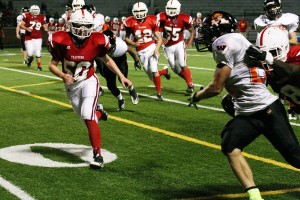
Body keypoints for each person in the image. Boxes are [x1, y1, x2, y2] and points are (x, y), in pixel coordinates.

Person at [192, 11, 300, 200]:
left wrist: (198, 96)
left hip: (265, 110)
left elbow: (216, 87)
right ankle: (254, 195)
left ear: (218, 28)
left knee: (296, 158)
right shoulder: (240, 40)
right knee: (230, 144)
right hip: (251, 112)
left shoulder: (223, 42)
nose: (205, 35)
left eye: (208, 29)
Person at [47, 9, 133, 169]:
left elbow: (107, 60)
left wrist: (121, 76)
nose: (82, 29)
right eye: (78, 25)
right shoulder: (61, 40)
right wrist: (62, 75)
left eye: (86, 26)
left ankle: (97, 155)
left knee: (87, 114)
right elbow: (52, 65)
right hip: (71, 85)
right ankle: (100, 114)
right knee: (85, 118)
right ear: (70, 25)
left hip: (88, 81)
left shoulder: (97, 40)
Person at [247, 26, 300, 116]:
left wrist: (271, 60)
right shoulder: (263, 65)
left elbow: (294, 70)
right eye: (264, 52)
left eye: (272, 52)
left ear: (284, 46)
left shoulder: (296, 53)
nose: (268, 57)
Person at [124, 1, 170, 101]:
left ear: (145, 11)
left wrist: (156, 49)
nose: (139, 13)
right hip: (141, 51)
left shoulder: (152, 20)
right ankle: (165, 71)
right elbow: (126, 38)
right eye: (137, 11)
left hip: (151, 47)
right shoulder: (130, 22)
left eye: (141, 11)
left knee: (153, 69)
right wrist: (133, 43)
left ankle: (159, 94)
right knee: (151, 75)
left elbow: (159, 38)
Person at [95, 30, 141, 110]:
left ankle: (131, 89)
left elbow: (130, 50)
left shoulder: (121, 46)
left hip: (120, 59)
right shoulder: (99, 46)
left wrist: (136, 60)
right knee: (111, 85)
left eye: (111, 48)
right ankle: (120, 99)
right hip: (107, 60)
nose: (110, 50)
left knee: (122, 78)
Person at [157, 0, 195, 94]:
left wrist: (190, 40)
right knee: (175, 69)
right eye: (169, 9)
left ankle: (190, 84)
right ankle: (189, 81)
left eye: (173, 9)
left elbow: (192, 30)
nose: (171, 11)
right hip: (167, 46)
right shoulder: (162, 17)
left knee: (182, 64)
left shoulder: (184, 18)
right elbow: (155, 29)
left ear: (178, 9)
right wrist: (161, 38)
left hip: (178, 44)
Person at [19, 5, 48, 71]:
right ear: (31, 10)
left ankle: (39, 66)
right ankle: (30, 58)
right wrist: (27, 28)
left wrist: (46, 28)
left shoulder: (41, 16)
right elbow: (21, 25)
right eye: (34, 10)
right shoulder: (27, 15)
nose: (35, 12)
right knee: (30, 53)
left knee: (38, 52)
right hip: (29, 37)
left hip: (38, 37)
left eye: (36, 10)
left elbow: (44, 25)